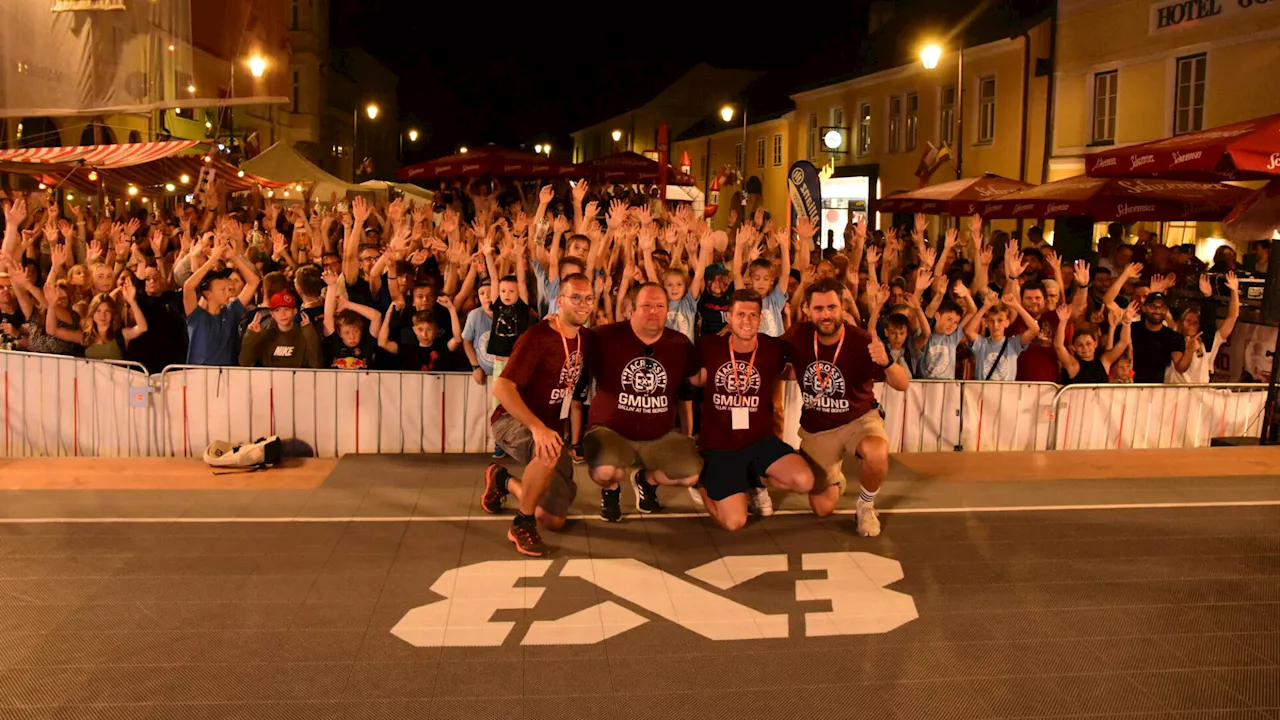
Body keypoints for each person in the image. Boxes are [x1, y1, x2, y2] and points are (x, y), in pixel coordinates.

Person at [783, 278, 910, 536]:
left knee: (876, 451)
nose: (826, 315)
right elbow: (770, 358)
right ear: (807, 310)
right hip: (817, 429)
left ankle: (865, 505)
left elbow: (903, 384)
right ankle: (836, 477)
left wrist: (886, 363)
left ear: (842, 307)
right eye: (819, 309)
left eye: (831, 307)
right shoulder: (797, 334)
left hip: (858, 420)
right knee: (822, 508)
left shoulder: (862, 340)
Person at [482, 273, 593, 556]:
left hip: (551, 431)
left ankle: (502, 480)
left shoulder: (586, 339)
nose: (582, 304)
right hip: (512, 420)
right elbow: (502, 387)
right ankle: (521, 523)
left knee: (553, 519)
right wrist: (536, 427)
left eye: (588, 298)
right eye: (575, 297)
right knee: (548, 451)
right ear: (559, 301)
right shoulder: (538, 337)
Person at [691, 290, 813, 531]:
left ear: (761, 318)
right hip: (721, 446)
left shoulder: (773, 347)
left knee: (804, 481)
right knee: (734, 522)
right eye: (740, 314)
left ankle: (754, 480)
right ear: (728, 317)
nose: (746, 320)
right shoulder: (709, 345)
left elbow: (790, 368)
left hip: (760, 441)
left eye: (752, 315)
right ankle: (701, 484)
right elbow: (694, 378)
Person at [581, 283, 702, 521]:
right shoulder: (603, 336)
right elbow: (569, 347)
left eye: (660, 306)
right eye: (646, 306)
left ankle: (645, 481)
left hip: (659, 435)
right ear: (630, 310)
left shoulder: (679, 343)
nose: (653, 311)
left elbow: (697, 379)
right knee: (606, 472)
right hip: (610, 431)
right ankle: (611, 491)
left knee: (691, 474)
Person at [182, 242, 261, 366]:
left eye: (228, 288)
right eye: (222, 289)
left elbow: (253, 282)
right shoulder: (196, 316)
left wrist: (234, 257)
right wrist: (212, 261)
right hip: (198, 378)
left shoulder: (230, 312)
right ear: (208, 294)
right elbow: (188, 287)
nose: (228, 291)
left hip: (226, 378)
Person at [1167, 272, 1240, 384]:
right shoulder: (1175, 334)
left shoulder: (1210, 341)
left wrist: (1234, 291)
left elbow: (1232, 317)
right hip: (1175, 394)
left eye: (1195, 322)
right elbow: (1163, 312)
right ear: (1182, 322)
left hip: (1199, 395)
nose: (1191, 324)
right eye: (1188, 320)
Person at [1054, 304, 1135, 385]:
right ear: (1074, 347)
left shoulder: (1104, 361)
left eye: (1088, 344)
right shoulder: (1072, 365)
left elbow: (1123, 342)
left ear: (1095, 344)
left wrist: (1127, 322)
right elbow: (1059, 346)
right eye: (1080, 345)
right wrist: (1062, 322)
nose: (1085, 348)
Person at [239, 291, 321, 368]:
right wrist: (251, 335)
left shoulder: (304, 333)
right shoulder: (266, 335)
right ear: (272, 314)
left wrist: (309, 332)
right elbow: (245, 363)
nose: (283, 314)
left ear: (295, 311)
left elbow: (315, 363)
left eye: (286, 309)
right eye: (277, 310)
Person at [1129, 292, 1186, 383]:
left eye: (1162, 307)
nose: (1158, 310)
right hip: (1130, 386)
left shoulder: (1174, 337)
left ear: (1166, 310)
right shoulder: (1131, 329)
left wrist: (1190, 351)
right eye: (1153, 306)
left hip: (1158, 389)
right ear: (1144, 308)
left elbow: (1180, 368)